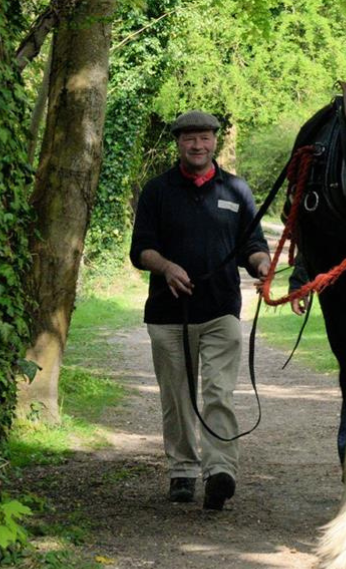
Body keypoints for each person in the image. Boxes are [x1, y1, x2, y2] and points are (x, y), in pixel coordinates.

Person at [129, 110, 272, 510]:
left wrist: (263, 266)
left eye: (205, 138)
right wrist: (167, 267)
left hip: (221, 310)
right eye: (190, 138)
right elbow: (140, 250)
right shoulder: (157, 191)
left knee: (217, 392)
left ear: (215, 141)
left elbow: (253, 245)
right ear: (178, 143)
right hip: (166, 314)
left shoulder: (237, 190)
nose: (198, 145)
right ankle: (182, 471)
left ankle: (220, 471)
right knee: (176, 396)